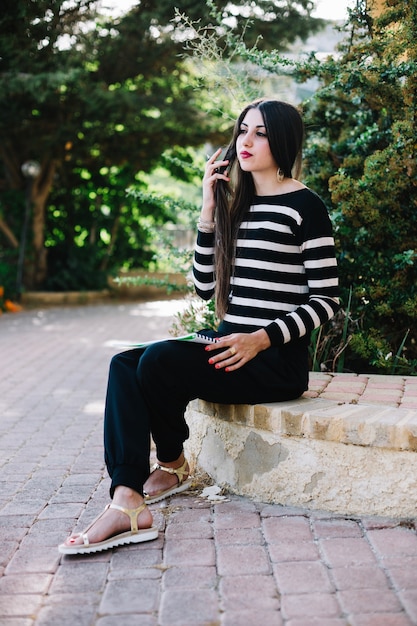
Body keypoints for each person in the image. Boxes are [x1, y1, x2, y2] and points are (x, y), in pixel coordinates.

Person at [59, 98, 339, 555]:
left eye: (261, 133)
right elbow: (204, 287)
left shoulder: (306, 207)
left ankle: (169, 466)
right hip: (228, 343)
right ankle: (130, 495)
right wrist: (209, 208)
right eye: (242, 130)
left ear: (283, 141)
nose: (245, 142)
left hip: (273, 359)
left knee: (161, 361)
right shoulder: (238, 205)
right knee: (125, 364)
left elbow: (326, 299)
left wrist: (260, 338)